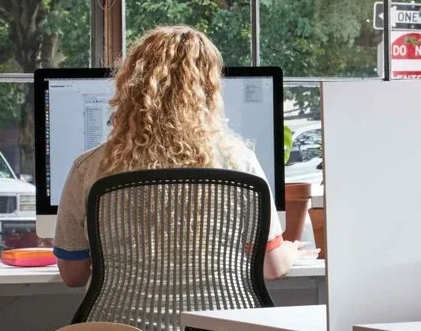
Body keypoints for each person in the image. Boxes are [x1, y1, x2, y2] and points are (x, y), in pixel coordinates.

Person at [52, 26, 294, 289]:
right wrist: (290, 252)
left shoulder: (90, 167)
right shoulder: (238, 163)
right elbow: (273, 267)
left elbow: (73, 275)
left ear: (131, 86)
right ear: (209, 89)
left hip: (120, 329)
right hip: (213, 329)